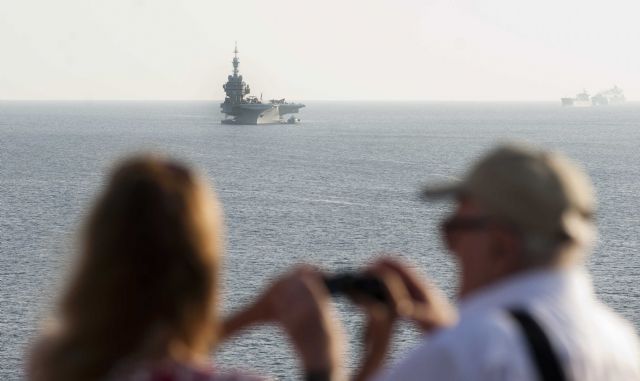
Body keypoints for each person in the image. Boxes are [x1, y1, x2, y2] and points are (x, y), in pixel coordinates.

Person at [276, 143, 640, 380]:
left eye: (453, 230)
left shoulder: (467, 354)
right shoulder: (622, 343)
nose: (448, 248)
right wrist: (451, 327)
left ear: (501, 246)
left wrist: (326, 363)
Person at [27, 156, 343, 381]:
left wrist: (252, 314)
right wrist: (321, 364)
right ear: (202, 272)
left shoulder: (54, 363)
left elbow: (147, 358)